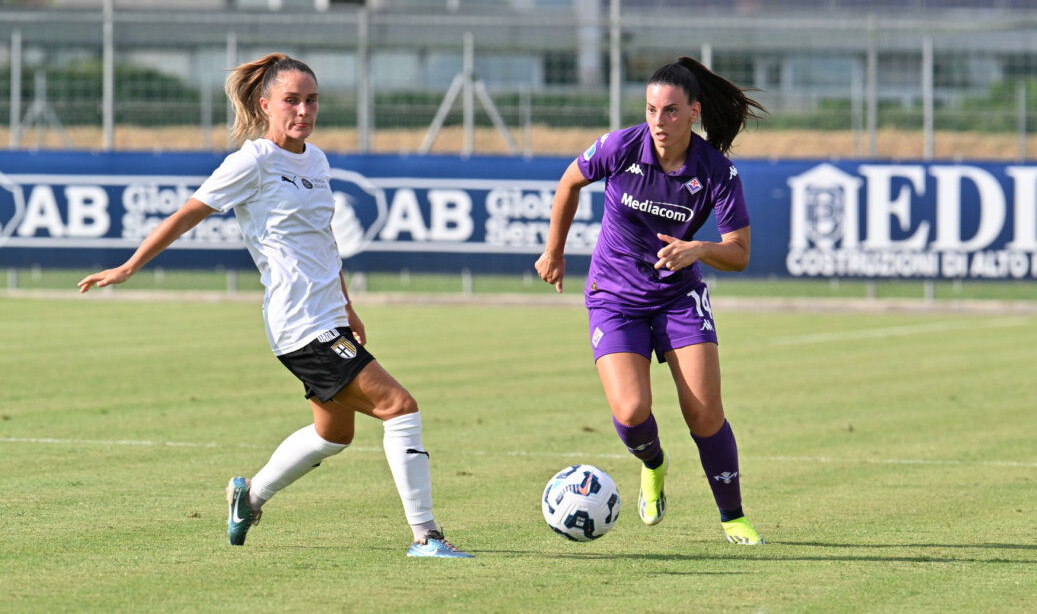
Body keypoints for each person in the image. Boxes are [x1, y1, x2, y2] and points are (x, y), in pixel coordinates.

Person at [78, 53, 472, 558]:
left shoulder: (317, 160)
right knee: (401, 407)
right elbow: (186, 214)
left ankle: (250, 495)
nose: (303, 110)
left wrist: (347, 304)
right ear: (265, 105)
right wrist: (128, 266)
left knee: (334, 435)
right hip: (299, 322)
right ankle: (426, 536)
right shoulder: (253, 161)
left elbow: (323, 237)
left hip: (329, 316)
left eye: (311, 100)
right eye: (292, 100)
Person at [534, 56, 766, 545]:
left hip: (678, 297)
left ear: (694, 112)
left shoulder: (717, 171)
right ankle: (654, 463)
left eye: (671, 111)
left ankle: (733, 516)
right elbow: (569, 182)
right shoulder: (621, 147)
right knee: (633, 410)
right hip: (614, 296)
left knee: (704, 413)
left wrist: (698, 249)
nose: (658, 122)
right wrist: (554, 250)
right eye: (651, 110)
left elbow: (740, 253)